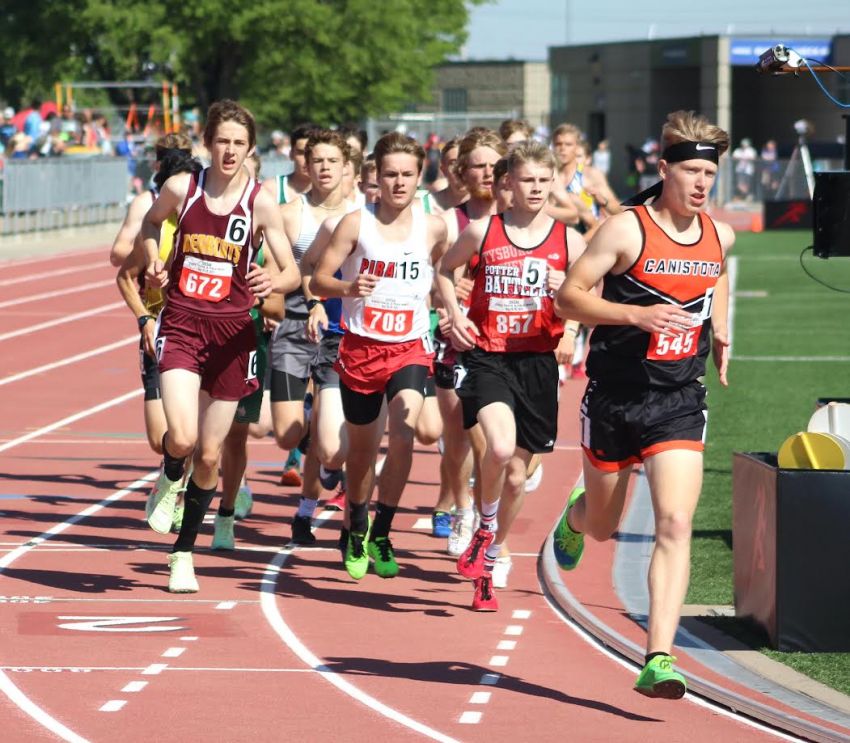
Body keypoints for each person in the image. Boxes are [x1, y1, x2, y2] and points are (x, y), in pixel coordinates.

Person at [552, 110, 734, 698]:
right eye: (692, 172)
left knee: (675, 522)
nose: (702, 183)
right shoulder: (625, 229)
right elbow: (567, 299)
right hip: (614, 397)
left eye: (710, 171)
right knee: (604, 528)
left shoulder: (719, 234)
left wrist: (722, 328)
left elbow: (716, 274)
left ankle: (659, 656)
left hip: (679, 398)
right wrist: (635, 313)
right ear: (664, 170)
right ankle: (578, 515)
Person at [141, 99, 300, 593]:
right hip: (185, 323)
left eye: (239, 143)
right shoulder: (181, 188)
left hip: (235, 335)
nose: (229, 151)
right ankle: (170, 471)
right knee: (183, 440)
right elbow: (151, 225)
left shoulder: (259, 202)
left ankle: (182, 553)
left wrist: (268, 280)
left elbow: (293, 270)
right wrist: (155, 260)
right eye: (222, 141)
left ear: (251, 149)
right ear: (208, 143)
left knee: (210, 456)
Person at [438, 141, 584, 611]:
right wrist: (455, 311)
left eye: (544, 180)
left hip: (538, 363)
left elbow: (591, 294)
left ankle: (492, 549)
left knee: (518, 477)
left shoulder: (570, 240)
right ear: (509, 184)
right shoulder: (483, 231)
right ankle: (483, 527)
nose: (537, 188)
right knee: (498, 448)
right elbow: (443, 269)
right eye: (528, 180)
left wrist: (571, 307)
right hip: (489, 357)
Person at [310, 132, 447, 581]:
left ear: (420, 176)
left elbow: (442, 270)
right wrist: (347, 287)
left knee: (405, 435)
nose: (399, 183)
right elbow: (318, 281)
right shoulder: (355, 224)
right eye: (390, 174)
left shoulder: (435, 225)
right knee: (363, 454)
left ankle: (384, 530)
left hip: (409, 346)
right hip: (362, 349)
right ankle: (356, 522)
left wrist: (449, 304)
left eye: (408, 174)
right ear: (377, 177)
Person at [267, 128, 354, 544]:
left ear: (346, 167)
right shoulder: (289, 213)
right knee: (287, 431)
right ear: (304, 164)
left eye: (331, 161)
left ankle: (305, 513)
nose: (322, 168)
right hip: (293, 320)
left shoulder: (361, 214)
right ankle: (312, 442)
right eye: (315, 160)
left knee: (330, 428)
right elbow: (282, 269)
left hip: (341, 326)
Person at [115, 135, 199, 469]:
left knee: (198, 429)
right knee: (158, 437)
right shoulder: (155, 226)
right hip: (159, 330)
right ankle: (177, 467)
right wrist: (144, 319)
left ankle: (187, 485)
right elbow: (122, 273)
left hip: (203, 328)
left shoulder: (214, 222)